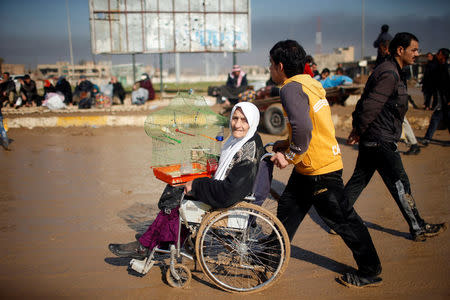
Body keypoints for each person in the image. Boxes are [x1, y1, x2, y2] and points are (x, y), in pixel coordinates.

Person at [268, 40, 382, 288]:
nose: (270, 70)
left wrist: (287, 156)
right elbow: (312, 125)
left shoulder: (289, 88)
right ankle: (270, 254)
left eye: (270, 65)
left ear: (279, 65)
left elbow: (304, 127)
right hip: (309, 166)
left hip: (320, 169)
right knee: (288, 208)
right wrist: (286, 143)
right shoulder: (310, 82)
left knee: (343, 220)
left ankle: (370, 270)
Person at [108, 102, 264, 258]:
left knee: (177, 193)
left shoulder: (247, 152)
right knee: (179, 182)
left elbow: (228, 192)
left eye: (244, 120)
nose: (237, 124)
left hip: (227, 199)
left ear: (253, 121)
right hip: (224, 190)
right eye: (235, 118)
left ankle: (148, 244)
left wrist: (196, 185)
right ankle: (158, 234)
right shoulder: (242, 141)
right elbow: (227, 166)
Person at [346, 33, 446, 242]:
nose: (417, 54)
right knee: (401, 184)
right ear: (400, 50)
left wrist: (359, 129)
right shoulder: (389, 73)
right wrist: (358, 129)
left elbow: (368, 102)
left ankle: (337, 220)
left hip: (374, 138)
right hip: (380, 140)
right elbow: (370, 105)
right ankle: (418, 227)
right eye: (414, 50)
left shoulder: (392, 71)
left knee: (359, 180)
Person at [421, 48, 450, 145]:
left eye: (438, 53)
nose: (436, 55)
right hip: (441, 100)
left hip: (447, 100)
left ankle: (427, 138)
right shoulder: (438, 67)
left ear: (443, 56)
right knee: (436, 118)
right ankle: (427, 138)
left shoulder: (447, 69)